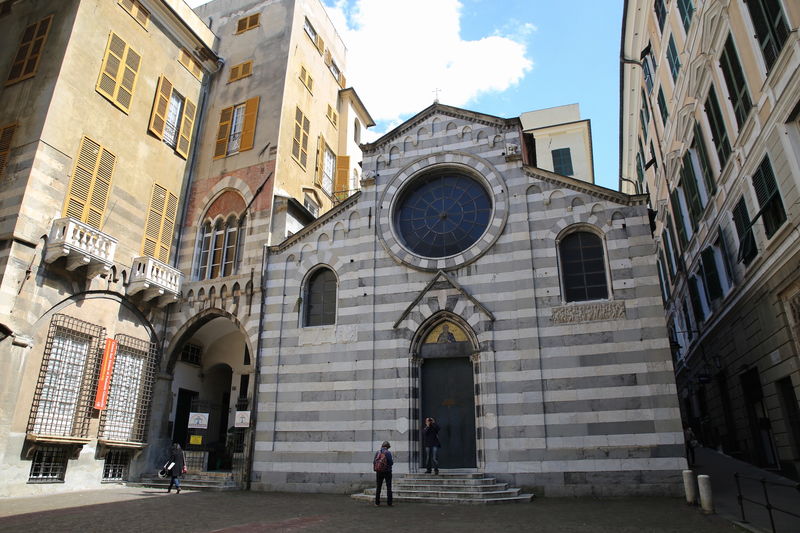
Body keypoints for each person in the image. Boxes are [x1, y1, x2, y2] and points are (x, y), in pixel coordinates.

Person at [373, 440, 394, 506]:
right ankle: (389, 503)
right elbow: (391, 462)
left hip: (379, 471)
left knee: (378, 487)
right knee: (389, 487)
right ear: (387, 447)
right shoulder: (388, 453)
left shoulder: (378, 452)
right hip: (387, 472)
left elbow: (374, 462)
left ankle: (377, 502)